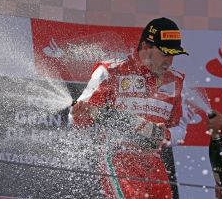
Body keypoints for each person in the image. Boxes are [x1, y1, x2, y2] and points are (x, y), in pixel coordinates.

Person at [69, 17, 189, 199]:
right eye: (165, 53)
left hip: (154, 163)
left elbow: (181, 129)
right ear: (146, 47)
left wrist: (165, 135)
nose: (169, 61)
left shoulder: (177, 81)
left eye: (173, 55)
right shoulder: (111, 71)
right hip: (119, 158)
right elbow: (75, 119)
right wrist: (78, 114)